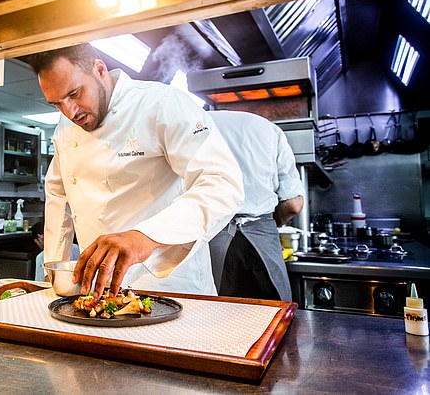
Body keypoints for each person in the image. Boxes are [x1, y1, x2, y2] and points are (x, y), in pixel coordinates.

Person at [26, 44, 244, 298]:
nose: (69, 112)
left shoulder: (162, 103)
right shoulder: (66, 126)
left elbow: (222, 183)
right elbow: (58, 194)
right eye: (57, 104)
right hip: (97, 287)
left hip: (168, 285)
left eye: (74, 94)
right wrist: (54, 273)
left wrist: (144, 236)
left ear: (99, 69)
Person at [207, 110, 305, 302]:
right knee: (275, 320)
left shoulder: (197, 122)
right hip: (262, 240)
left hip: (210, 238)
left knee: (211, 318)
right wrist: (271, 224)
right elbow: (293, 204)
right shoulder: (270, 130)